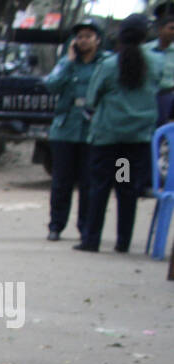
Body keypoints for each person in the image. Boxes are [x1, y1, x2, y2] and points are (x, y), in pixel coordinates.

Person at [75, 14, 164, 253]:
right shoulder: (156, 62)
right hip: (134, 141)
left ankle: (91, 240)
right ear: (146, 36)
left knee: (100, 187)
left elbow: (92, 98)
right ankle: (123, 241)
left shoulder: (109, 64)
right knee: (125, 187)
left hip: (107, 139)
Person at [43, 20, 102, 242]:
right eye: (80, 37)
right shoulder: (66, 63)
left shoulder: (103, 64)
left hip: (91, 130)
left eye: (88, 36)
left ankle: (85, 228)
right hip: (65, 130)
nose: (83, 40)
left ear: (97, 40)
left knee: (88, 182)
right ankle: (56, 225)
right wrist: (68, 62)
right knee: (61, 182)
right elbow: (51, 85)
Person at [146, 4, 174, 122]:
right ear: (160, 28)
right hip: (145, 96)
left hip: (166, 97)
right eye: (171, 28)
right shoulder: (145, 49)